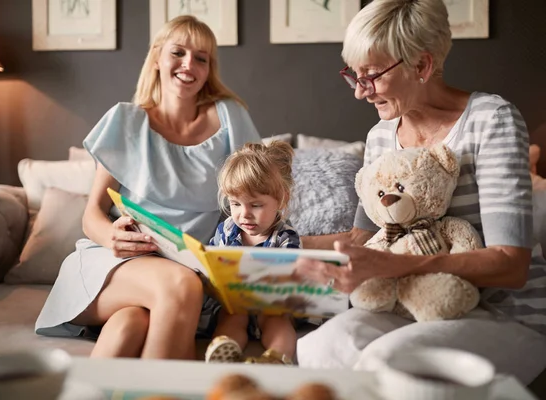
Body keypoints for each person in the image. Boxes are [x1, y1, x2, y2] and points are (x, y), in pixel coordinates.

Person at [294, 0, 546, 384]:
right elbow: (360, 240)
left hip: (506, 314)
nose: (361, 92)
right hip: (409, 303)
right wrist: (270, 245)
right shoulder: (380, 136)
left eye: (372, 75)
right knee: (318, 347)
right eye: (354, 76)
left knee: (391, 358)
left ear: (422, 66)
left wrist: (397, 265)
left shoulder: (492, 120)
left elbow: (510, 265)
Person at [34, 15, 261, 360]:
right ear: (157, 58)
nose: (189, 64)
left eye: (201, 58)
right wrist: (111, 236)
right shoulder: (126, 120)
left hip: (192, 269)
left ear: (209, 69)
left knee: (131, 323)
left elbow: (260, 197)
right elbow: (92, 214)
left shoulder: (231, 117)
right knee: (180, 284)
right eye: (178, 52)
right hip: (116, 263)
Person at [204, 141, 300, 365]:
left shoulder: (285, 237)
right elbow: (212, 262)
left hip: (271, 304)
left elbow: (291, 280)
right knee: (231, 317)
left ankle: (277, 357)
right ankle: (225, 350)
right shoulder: (226, 230)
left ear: (282, 200)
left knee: (277, 321)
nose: (244, 214)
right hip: (236, 303)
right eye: (236, 204)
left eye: (256, 205)